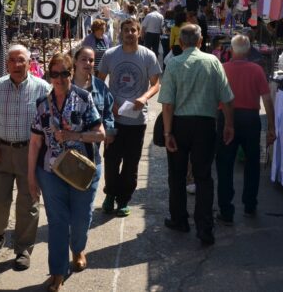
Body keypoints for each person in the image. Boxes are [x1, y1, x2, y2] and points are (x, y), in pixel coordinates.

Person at [28, 52, 105, 292]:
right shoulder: (42, 103)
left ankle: (78, 248)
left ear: (71, 73)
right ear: (49, 75)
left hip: (82, 170)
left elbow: (101, 133)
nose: (59, 78)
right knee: (58, 222)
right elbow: (35, 142)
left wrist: (74, 136)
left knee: (81, 220)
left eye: (64, 73)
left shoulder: (83, 98)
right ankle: (58, 272)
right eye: (55, 74)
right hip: (51, 172)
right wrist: (31, 177)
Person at [158, 24, 235, 245]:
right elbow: (227, 98)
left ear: (181, 43)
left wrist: (167, 132)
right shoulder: (213, 62)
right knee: (203, 177)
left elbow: (167, 105)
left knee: (177, 175)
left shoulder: (173, 63)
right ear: (201, 42)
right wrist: (229, 124)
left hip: (180, 124)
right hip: (205, 124)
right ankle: (205, 228)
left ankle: (179, 219)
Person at [0, 44, 52, 271]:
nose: (17, 65)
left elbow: (51, 122)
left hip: (30, 153)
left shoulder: (43, 89)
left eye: (21, 60)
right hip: (0, 151)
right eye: (12, 60)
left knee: (28, 202)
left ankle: (22, 249)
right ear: (7, 64)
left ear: (30, 63)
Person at [98, 18, 161, 217]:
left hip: (136, 121)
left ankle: (124, 199)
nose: (129, 33)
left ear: (139, 32)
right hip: (113, 119)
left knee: (131, 163)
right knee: (111, 160)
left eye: (133, 30)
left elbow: (156, 84)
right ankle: (110, 195)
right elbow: (98, 83)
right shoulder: (110, 55)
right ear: (121, 33)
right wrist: (111, 104)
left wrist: (144, 97)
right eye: (126, 30)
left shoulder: (148, 56)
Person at [216, 34, 276, 222]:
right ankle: (250, 204)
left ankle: (226, 209)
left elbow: (213, 98)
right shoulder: (256, 70)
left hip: (226, 117)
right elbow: (267, 100)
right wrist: (272, 128)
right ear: (249, 51)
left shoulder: (222, 69)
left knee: (225, 164)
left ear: (231, 51)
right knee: (252, 163)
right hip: (250, 119)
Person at [72, 45, 115, 143]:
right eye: (83, 59)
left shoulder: (100, 86)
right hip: (71, 144)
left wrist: (109, 131)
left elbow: (108, 111)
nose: (87, 63)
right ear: (75, 61)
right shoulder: (66, 86)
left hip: (94, 145)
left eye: (91, 60)